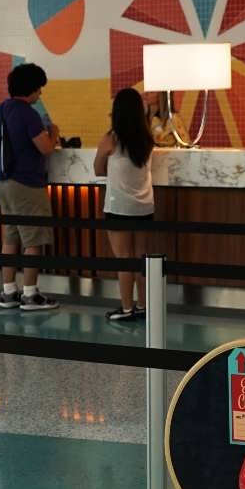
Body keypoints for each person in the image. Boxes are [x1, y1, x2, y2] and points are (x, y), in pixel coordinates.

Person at [0, 63, 62, 310]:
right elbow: (46, 148)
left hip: (3, 182)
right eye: (39, 89)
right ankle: (30, 294)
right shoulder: (28, 114)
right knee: (33, 239)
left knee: (11, 237)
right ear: (31, 89)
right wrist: (54, 132)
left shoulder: (0, 110)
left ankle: (8, 291)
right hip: (27, 183)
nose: (40, 94)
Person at [96, 87, 157, 322]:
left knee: (124, 259)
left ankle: (126, 308)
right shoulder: (147, 138)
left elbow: (98, 169)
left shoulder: (111, 138)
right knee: (142, 258)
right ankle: (143, 306)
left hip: (118, 206)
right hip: (144, 206)